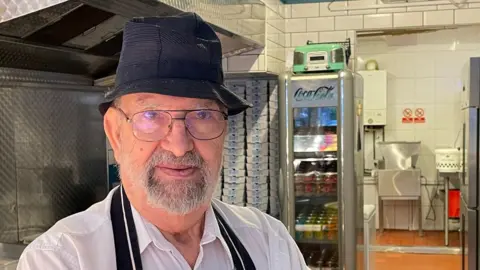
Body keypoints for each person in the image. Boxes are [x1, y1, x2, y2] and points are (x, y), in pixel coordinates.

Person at [16, 12, 307, 270]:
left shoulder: (270, 244)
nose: (179, 145)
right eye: (151, 115)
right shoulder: (61, 260)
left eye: (202, 114)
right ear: (115, 132)